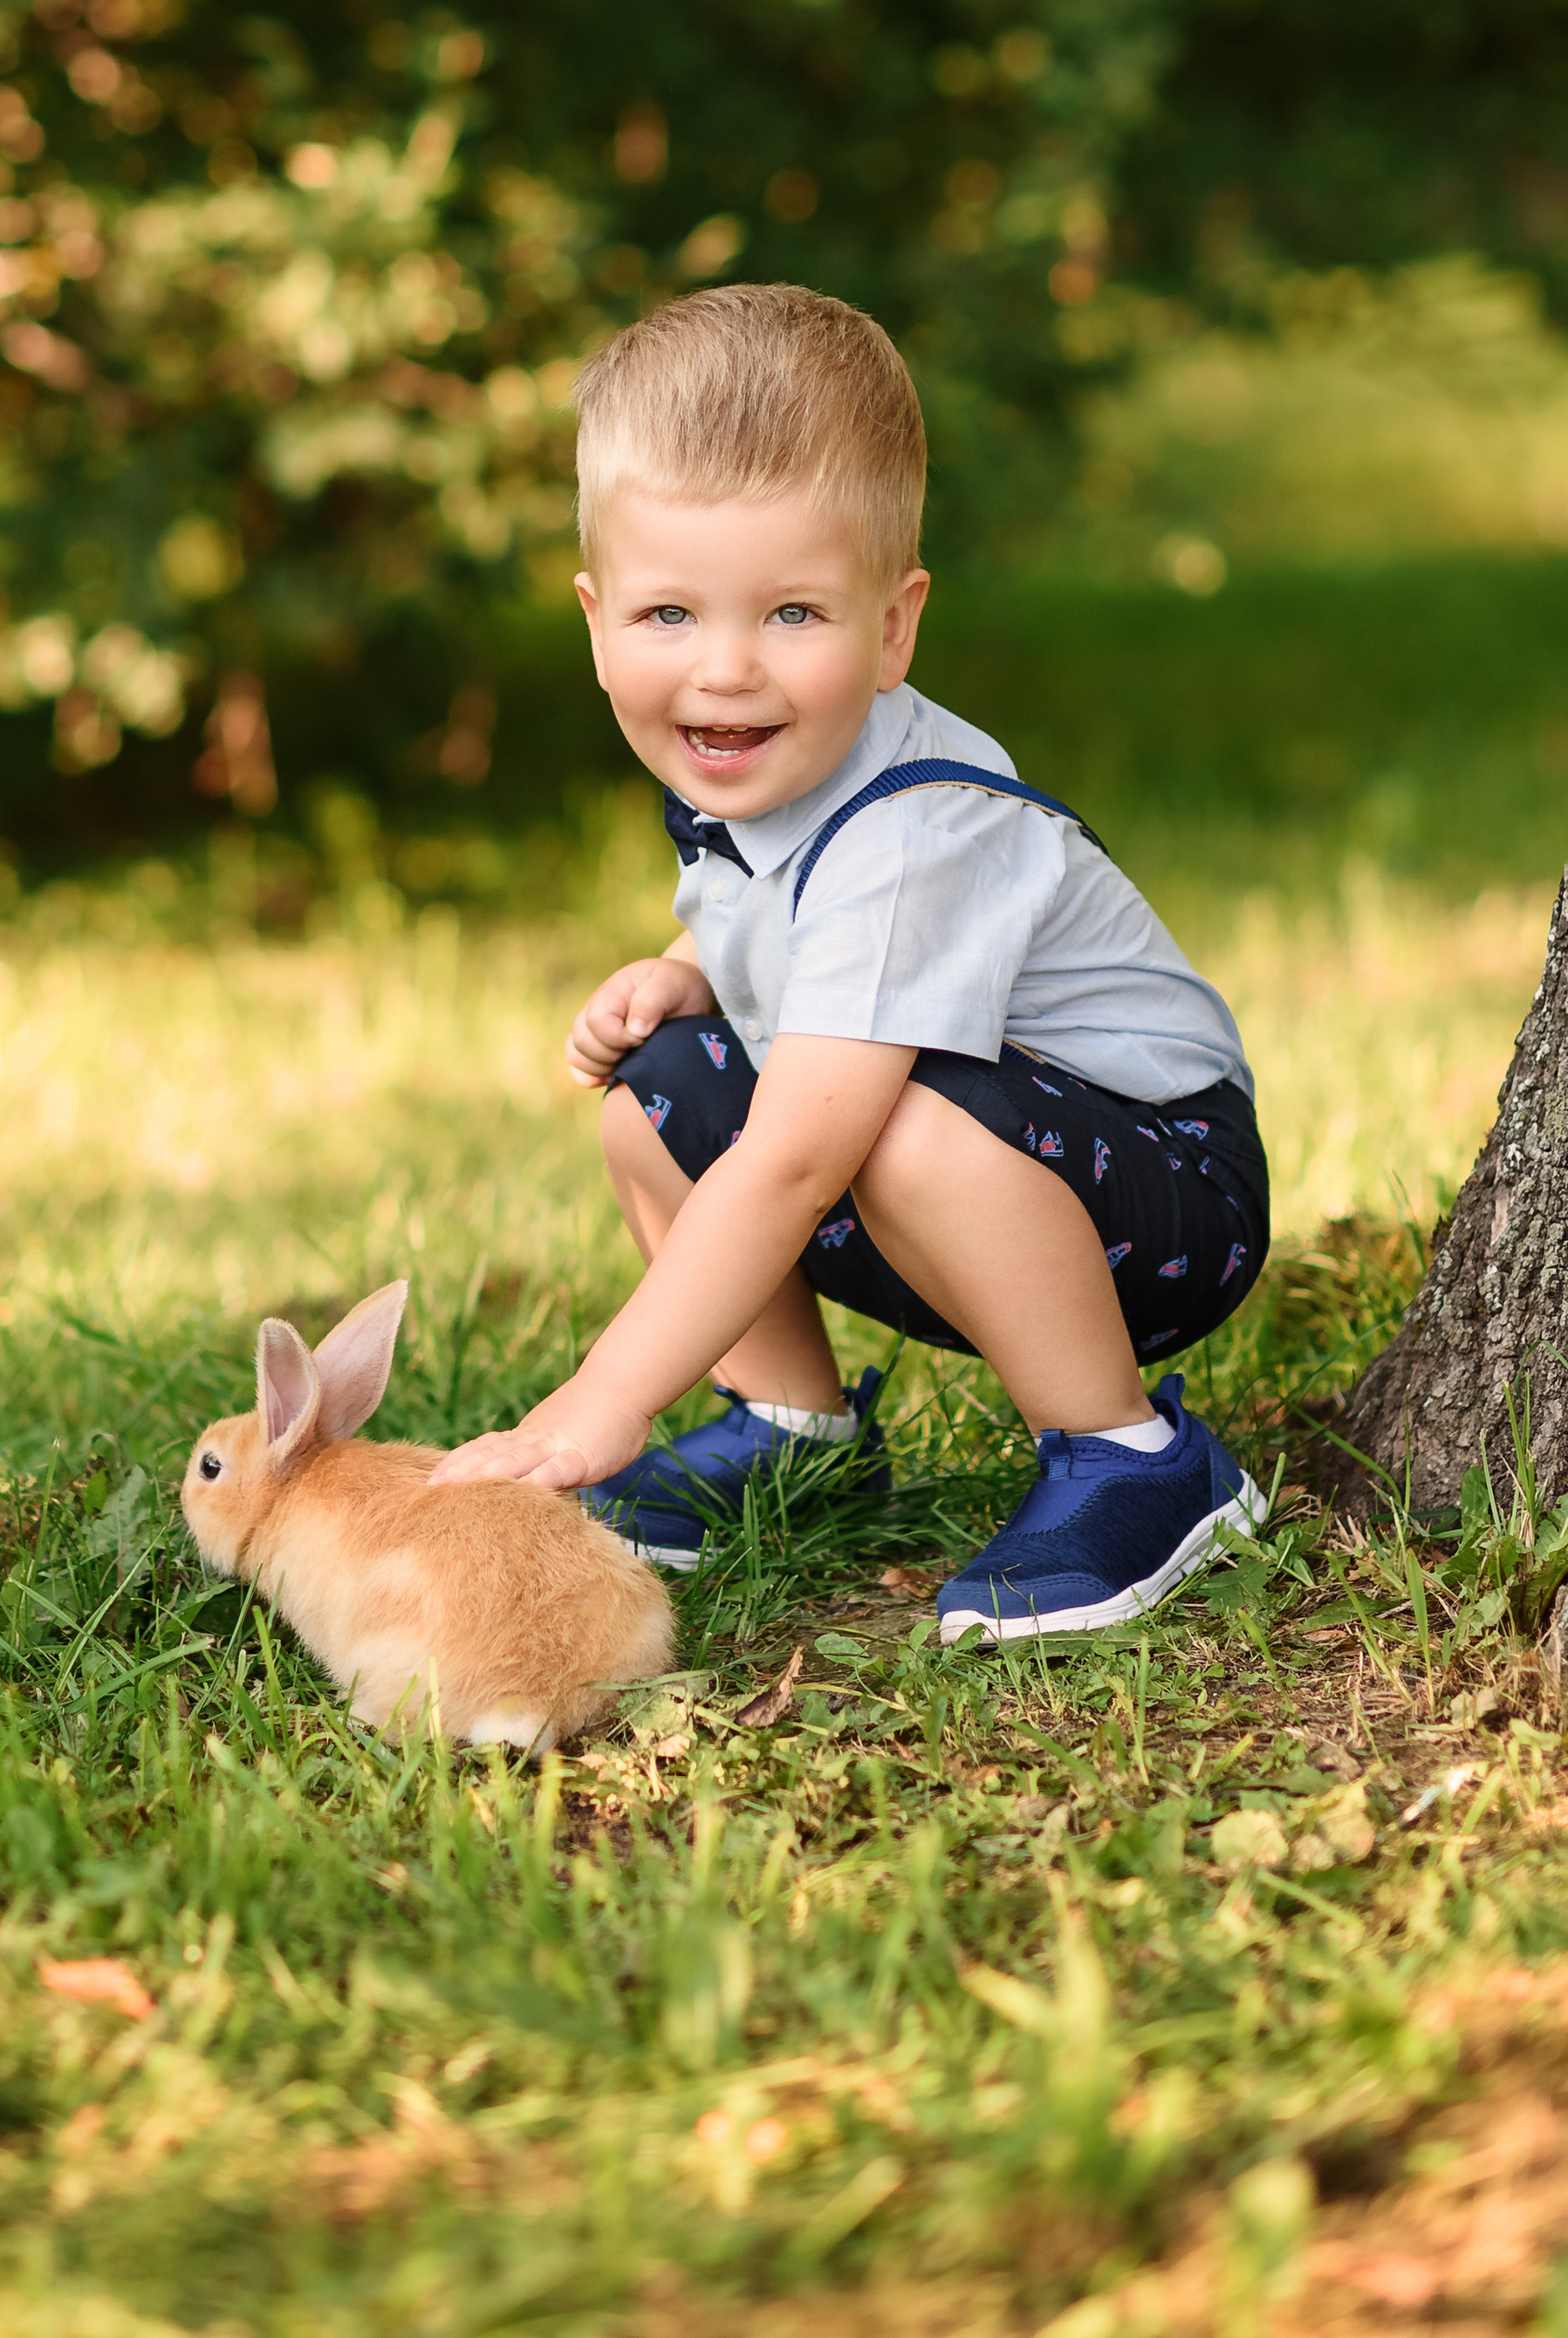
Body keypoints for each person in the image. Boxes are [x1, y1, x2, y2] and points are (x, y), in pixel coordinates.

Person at [432, 283, 1269, 1642]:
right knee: (658, 1089)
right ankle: (794, 1429)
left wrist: (601, 1399)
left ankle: (1133, 1455)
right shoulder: (759, 768)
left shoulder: (910, 833)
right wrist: (692, 973)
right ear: (596, 623)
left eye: (794, 615)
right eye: (667, 615)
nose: (724, 672)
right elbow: (773, 918)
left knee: (886, 1128)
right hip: (981, 1157)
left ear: (894, 626)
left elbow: (800, 1158)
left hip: (1158, 1198)